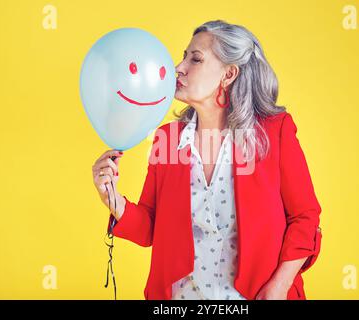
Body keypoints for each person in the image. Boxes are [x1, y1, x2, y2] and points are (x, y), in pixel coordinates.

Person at [92, 20, 322, 300]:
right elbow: (150, 227)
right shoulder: (168, 139)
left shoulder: (275, 132)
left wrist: (279, 287)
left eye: (195, 59)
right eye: (184, 56)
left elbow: (304, 218)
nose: (179, 67)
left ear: (229, 74)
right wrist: (112, 199)